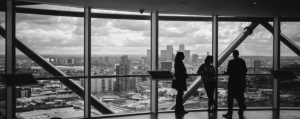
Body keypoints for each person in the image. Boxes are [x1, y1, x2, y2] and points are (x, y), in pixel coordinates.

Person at [223, 50, 247, 119]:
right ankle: (241, 109)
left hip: (232, 82)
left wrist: (225, 73)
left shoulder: (231, 62)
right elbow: (245, 70)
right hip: (240, 82)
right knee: (240, 96)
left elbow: (228, 72)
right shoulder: (242, 61)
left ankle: (230, 112)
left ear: (233, 55)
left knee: (230, 98)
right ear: (238, 54)